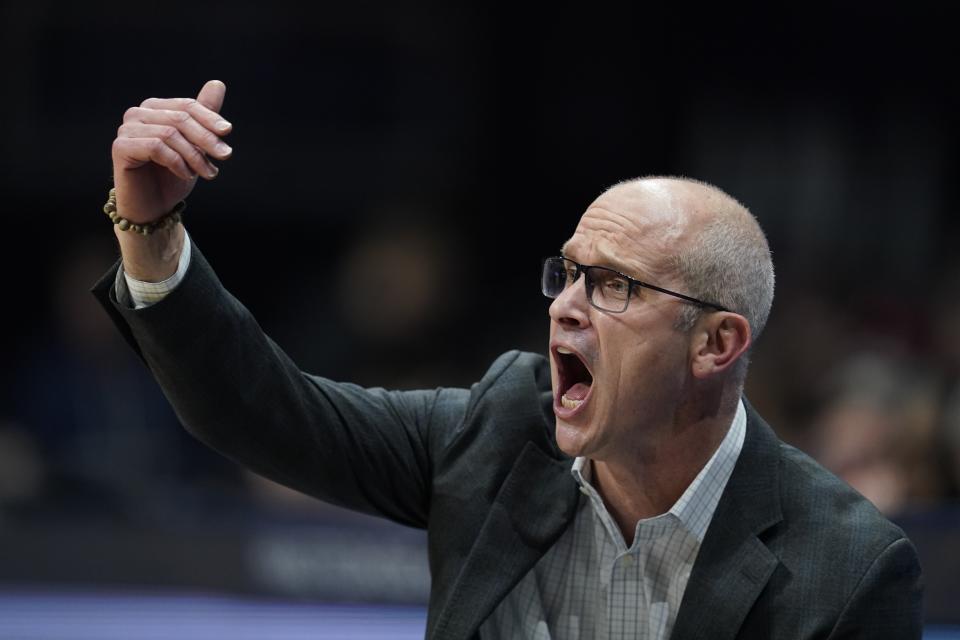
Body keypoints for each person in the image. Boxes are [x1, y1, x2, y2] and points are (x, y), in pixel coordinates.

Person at [93, 80, 923, 640]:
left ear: (715, 345)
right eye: (568, 274)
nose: (564, 305)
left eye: (615, 287)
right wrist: (151, 232)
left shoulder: (846, 572)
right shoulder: (498, 433)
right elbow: (261, 410)